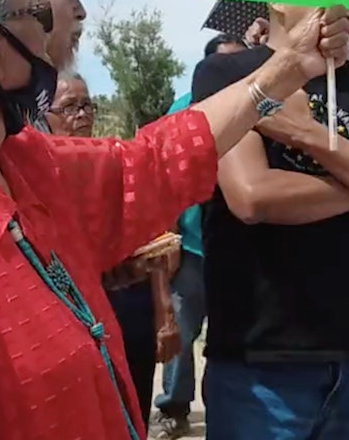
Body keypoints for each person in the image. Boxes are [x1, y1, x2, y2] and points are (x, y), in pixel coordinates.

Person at [0, 0, 349, 438]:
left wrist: (290, 67)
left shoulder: (19, 162)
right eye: (36, 16)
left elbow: (151, 163)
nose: (52, 34)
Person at [193, 0, 349, 439]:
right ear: (278, 0)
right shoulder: (229, 76)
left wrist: (307, 135)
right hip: (260, 362)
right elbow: (254, 197)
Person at [50, 71, 183, 430]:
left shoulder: (115, 164)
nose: (82, 115)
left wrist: (165, 315)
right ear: (43, 115)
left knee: (132, 409)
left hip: (127, 309)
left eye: (86, 105)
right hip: (67, 317)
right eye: (69, 107)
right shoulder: (29, 172)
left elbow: (155, 245)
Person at [151, 33, 248, 438]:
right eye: (223, 66)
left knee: (233, 335)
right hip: (191, 247)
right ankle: (173, 408)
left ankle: (225, 408)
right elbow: (160, 176)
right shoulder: (181, 110)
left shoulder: (262, 107)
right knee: (181, 331)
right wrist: (166, 236)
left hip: (242, 249)